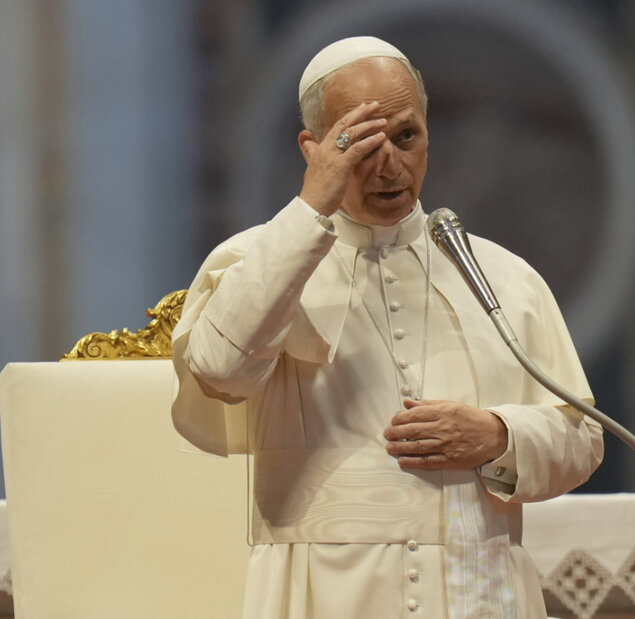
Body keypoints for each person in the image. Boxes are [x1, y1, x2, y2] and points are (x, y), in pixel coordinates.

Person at [170, 36, 604, 619]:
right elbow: (220, 371)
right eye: (359, 142)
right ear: (313, 148)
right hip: (323, 590)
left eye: (406, 137)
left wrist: (499, 436)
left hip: (480, 584)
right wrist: (309, 212)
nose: (388, 164)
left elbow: (583, 437)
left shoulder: (501, 275)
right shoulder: (255, 264)